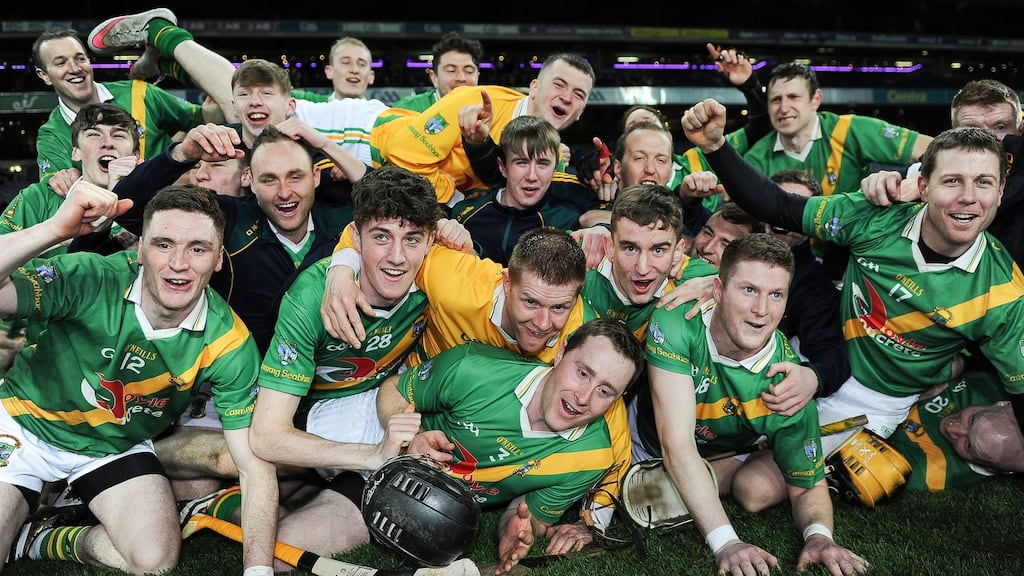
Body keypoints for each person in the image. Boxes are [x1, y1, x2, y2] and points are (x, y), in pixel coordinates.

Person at [682, 98, 1024, 455]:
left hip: (876, 400)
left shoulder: (1006, 293)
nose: (968, 198)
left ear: (1000, 191)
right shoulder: (877, 215)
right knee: (726, 440)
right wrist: (715, 147)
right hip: (819, 354)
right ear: (923, 186)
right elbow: (777, 205)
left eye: (983, 183)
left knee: (755, 489)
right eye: (952, 181)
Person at [0, 184, 276, 575]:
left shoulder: (230, 342)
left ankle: (44, 538)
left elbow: (252, 465)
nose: (178, 263)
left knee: (155, 562)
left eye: (197, 248)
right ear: (141, 248)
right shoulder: (92, 276)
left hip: (115, 444)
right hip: (25, 424)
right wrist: (55, 231)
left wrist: (259, 571)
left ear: (218, 258)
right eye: (164, 244)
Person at [227, 166, 441, 570]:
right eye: (381, 237)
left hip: (386, 403)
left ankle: (295, 492)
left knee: (290, 546)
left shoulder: (440, 276)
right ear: (355, 237)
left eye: (412, 239)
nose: (397, 257)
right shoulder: (312, 296)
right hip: (309, 418)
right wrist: (371, 456)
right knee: (232, 457)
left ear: (431, 239)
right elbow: (268, 435)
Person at [633, 233, 868, 576]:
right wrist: (727, 542)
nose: (761, 310)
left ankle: (762, 454)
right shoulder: (677, 320)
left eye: (776, 295)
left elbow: (807, 486)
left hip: (714, 447)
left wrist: (819, 537)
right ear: (717, 289)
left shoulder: (786, 385)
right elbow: (677, 446)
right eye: (749, 290)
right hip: (643, 438)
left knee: (752, 492)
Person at [376, 317, 644, 575]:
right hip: (386, 450)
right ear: (561, 354)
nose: (584, 397)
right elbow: (394, 389)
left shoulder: (593, 458)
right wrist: (412, 437)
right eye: (583, 373)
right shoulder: (473, 368)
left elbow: (531, 513)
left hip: (443, 511)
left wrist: (518, 527)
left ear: (618, 399)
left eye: (605, 391)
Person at [374, 52, 596, 205]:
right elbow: (401, 153)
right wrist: (455, 199)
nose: (566, 98)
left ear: (581, 111)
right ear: (534, 88)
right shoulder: (475, 102)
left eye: (578, 95)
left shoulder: (553, 158)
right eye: (559, 84)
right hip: (365, 139)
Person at [31, 27, 205, 182]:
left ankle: (163, 33)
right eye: (61, 63)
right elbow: (58, 190)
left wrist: (175, 151)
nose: (75, 68)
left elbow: (203, 117)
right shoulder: (51, 135)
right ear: (44, 75)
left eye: (80, 59)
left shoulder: (139, 93)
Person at [450, 115, 602, 265]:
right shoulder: (465, 216)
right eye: (521, 162)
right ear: (503, 167)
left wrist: (604, 227)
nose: (532, 176)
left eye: (542, 164)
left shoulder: (569, 219)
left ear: (555, 169)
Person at [890, 369, 1024, 492]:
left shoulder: (927, 472)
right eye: (971, 420)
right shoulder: (1001, 383)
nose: (952, 428)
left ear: (993, 468)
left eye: (968, 446)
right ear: (1005, 403)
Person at [391, 31, 484, 113]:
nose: (461, 78)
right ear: (434, 78)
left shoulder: (492, 111)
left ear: (478, 76)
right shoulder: (406, 109)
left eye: (469, 71)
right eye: (451, 70)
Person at [291, 37, 376, 102]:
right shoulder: (308, 105)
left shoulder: (384, 116)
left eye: (362, 64)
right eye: (346, 62)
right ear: (329, 71)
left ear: (371, 76)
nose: (354, 70)